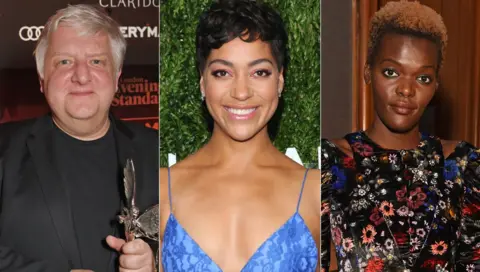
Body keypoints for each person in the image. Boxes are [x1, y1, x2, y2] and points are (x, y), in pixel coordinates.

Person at [158, 0, 320, 271]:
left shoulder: (316, 192)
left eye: (259, 72)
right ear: (202, 82)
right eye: (223, 72)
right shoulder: (163, 189)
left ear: (280, 80)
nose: (241, 92)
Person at [321, 1, 480, 272]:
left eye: (423, 78)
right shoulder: (331, 162)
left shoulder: (462, 165)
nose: (406, 90)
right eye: (391, 72)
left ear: (436, 86)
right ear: (368, 71)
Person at [0, 4, 158, 272]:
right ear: (41, 78)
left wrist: (155, 265)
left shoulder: (159, 150)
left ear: (117, 77)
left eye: (96, 61)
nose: (82, 76)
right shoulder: (4, 148)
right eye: (64, 61)